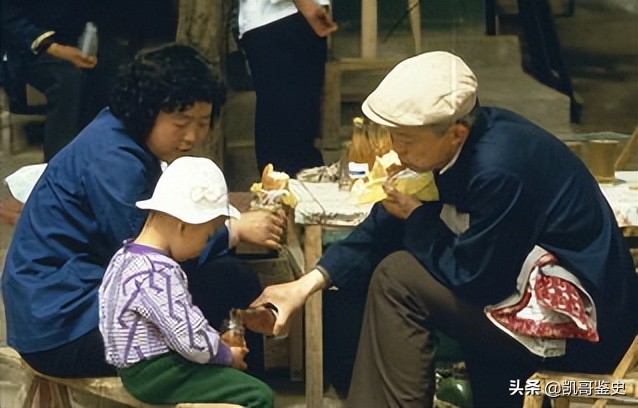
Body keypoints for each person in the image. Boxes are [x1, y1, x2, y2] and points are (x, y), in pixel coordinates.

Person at [249, 51, 638, 407]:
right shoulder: (455, 145)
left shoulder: (499, 168)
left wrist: (418, 217)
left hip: (583, 329)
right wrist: (304, 286)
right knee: (379, 269)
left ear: (455, 133)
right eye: (393, 138)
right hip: (517, 291)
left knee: (398, 277)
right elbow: (386, 221)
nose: (397, 151)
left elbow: (476, 278)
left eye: (407, 141)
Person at [2, 43, 286, 378]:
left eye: (202, 122)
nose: (192, 136)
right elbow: (151, 252)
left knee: (223, 277)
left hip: (66, 309)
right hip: (63, 327)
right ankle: (236, 389)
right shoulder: (114, 161)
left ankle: (233, 378)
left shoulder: (119, 136)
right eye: (181, 123)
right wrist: (233, 230)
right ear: (145, 110)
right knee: (228, 281)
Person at [99, 156, 273, 407]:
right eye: (207, 235)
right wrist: (226, 355)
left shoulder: (124, 257)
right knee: (258, 395)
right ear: (183, 226)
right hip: (157, 373)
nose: (205, 246)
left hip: (135, 368)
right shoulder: (159, 271)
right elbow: (188, 337)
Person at [0, 0, 178, 161]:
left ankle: (112, 151)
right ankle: (59, 165)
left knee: (120, 66)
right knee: (68, 80)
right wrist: (56, 49)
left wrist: (90, 42)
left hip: (82, 36)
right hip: (30, 48)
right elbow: (10, 21)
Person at [237, 0, 338, 176]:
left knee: (300, 129)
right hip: (282, 17)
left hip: (296, 18)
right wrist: (308, 6)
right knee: (287, 133)